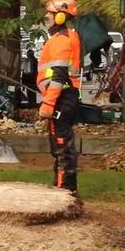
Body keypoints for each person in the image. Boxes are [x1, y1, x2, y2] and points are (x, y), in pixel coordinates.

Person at [38, 61, 81, 195]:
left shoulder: (61, 42)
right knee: (61, 148)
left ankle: (64, 190)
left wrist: (48, 104)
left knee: (62, 148)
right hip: (64, 97)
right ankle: (65, 187)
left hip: (61, 99)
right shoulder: (66, 43)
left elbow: (60, 74)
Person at [36, 0, 82, 89]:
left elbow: (59, 76)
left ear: (60, 17)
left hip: (61, 96)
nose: (46, 16)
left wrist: (48, 103)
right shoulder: (65, 36)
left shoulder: (62, 39)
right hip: (64, 94)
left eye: (50, 12)